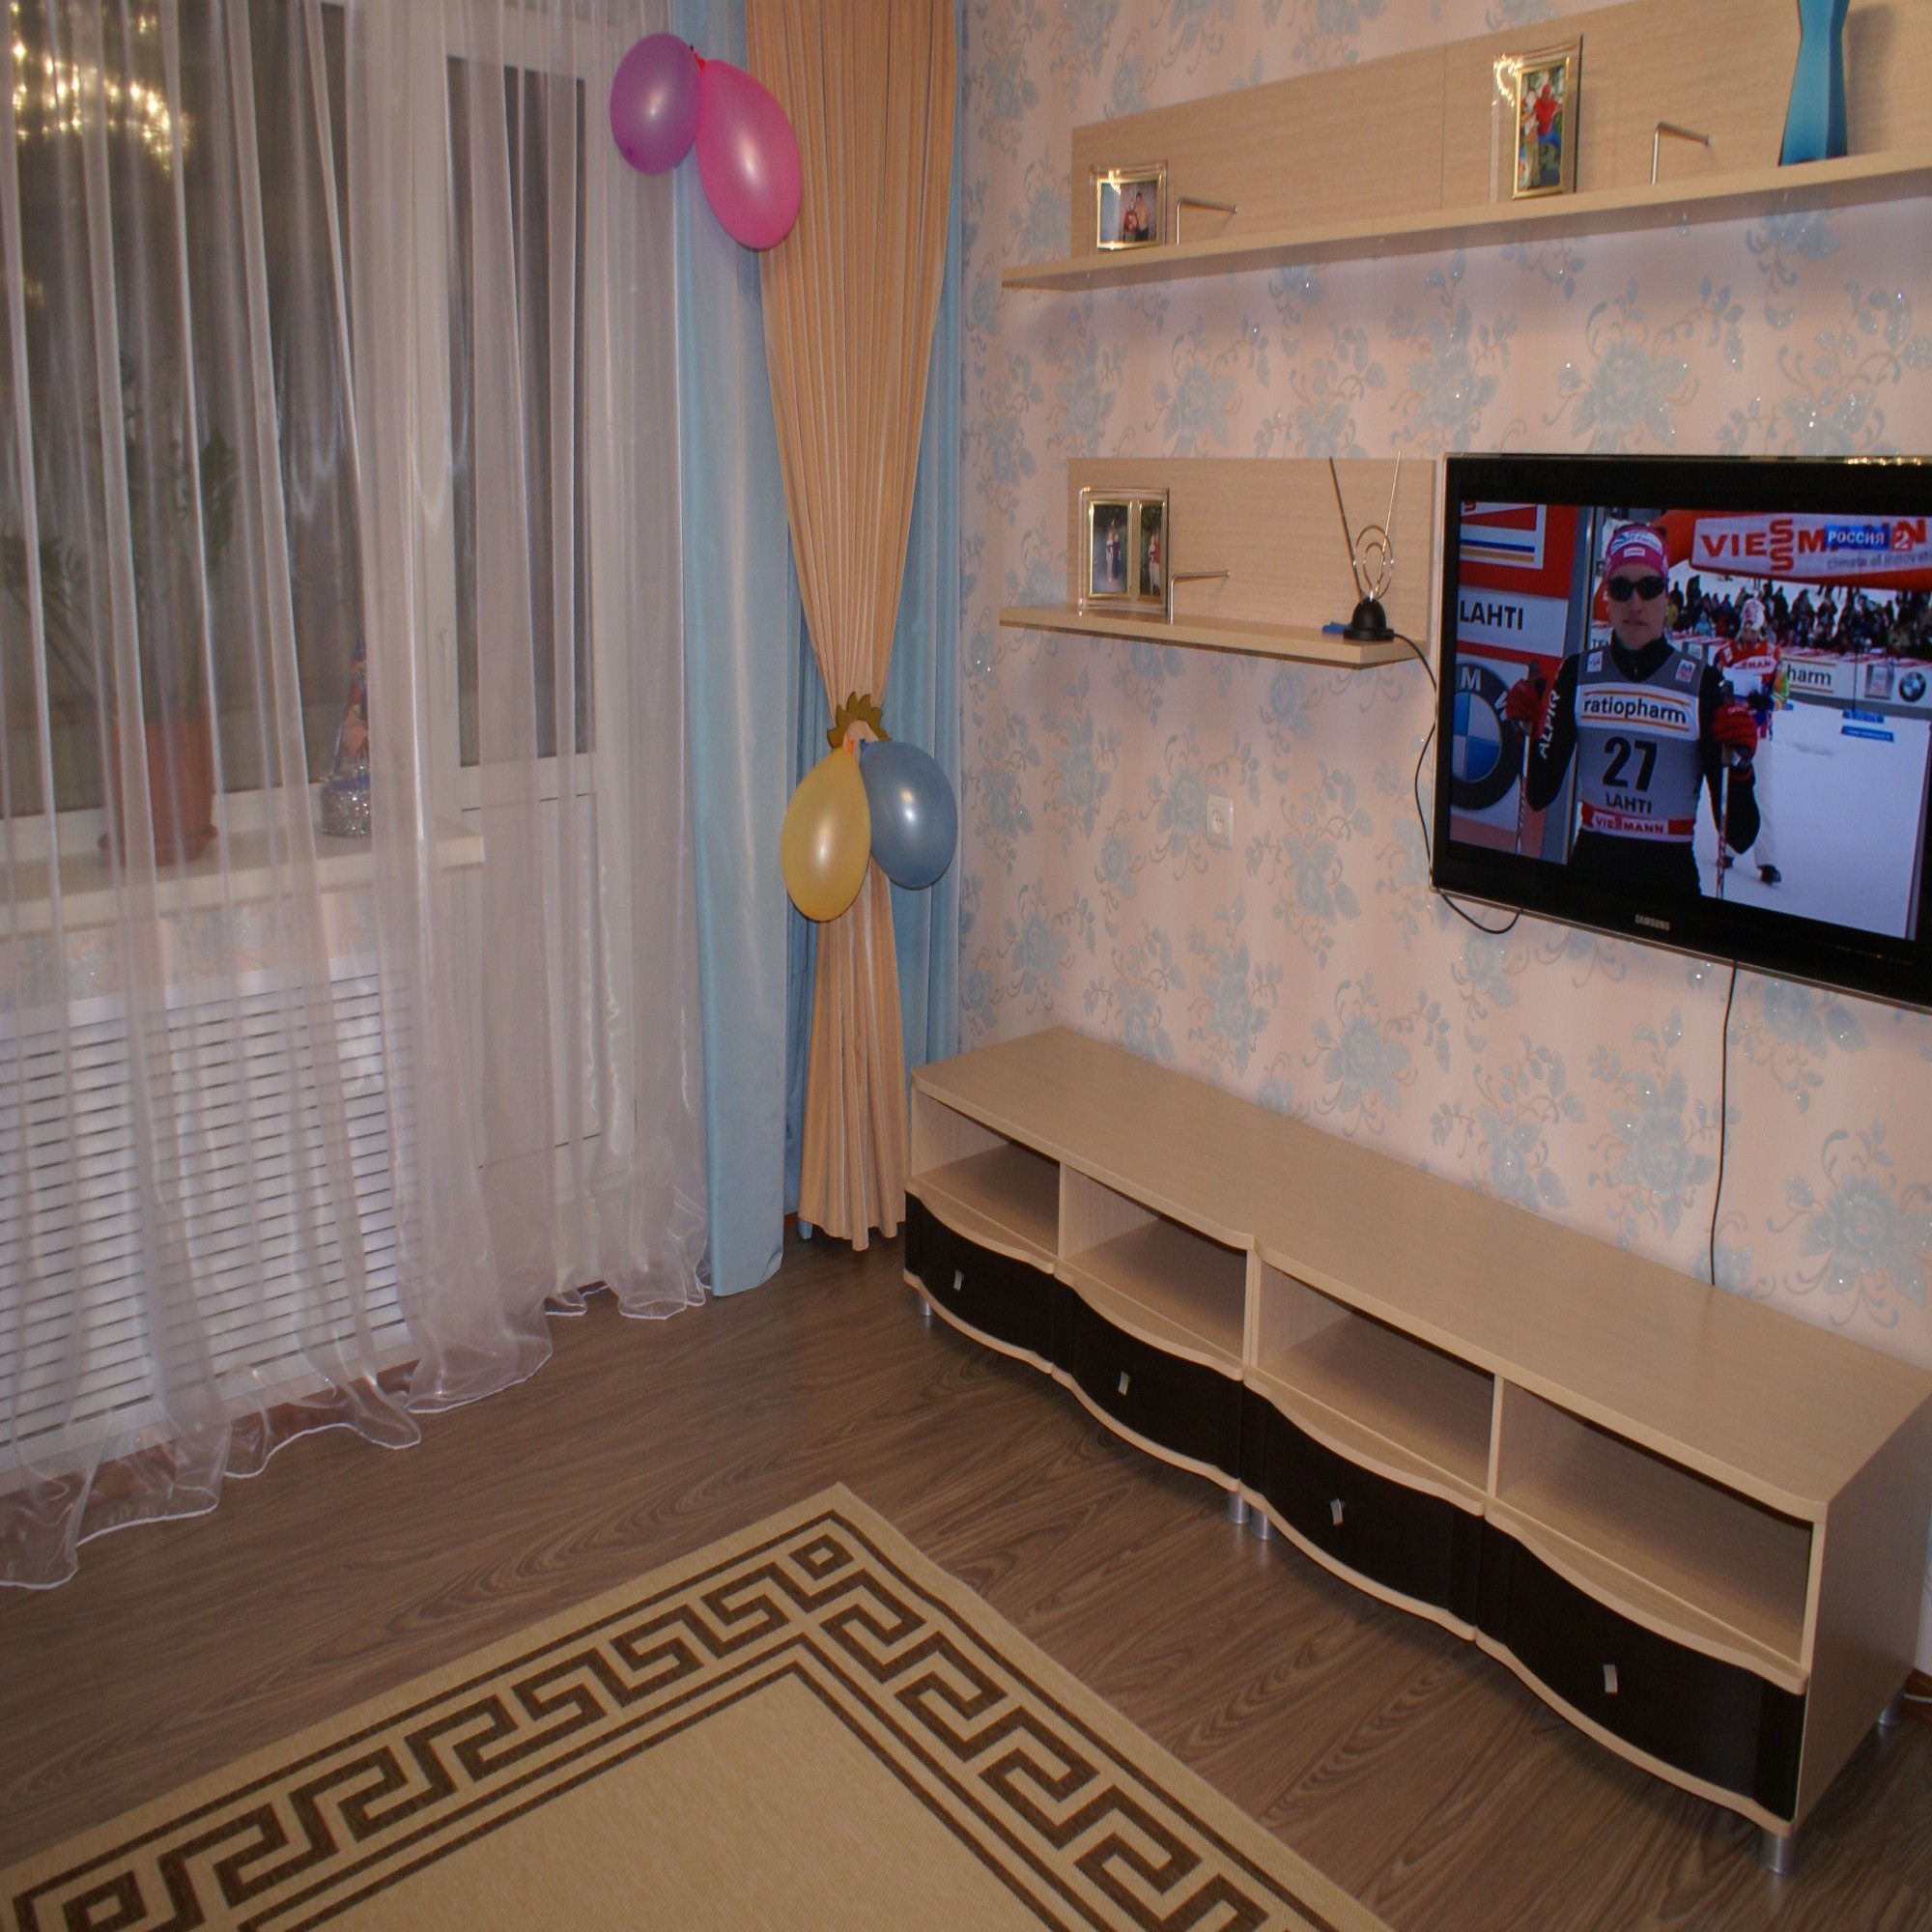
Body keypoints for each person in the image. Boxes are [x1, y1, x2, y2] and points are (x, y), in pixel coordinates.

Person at [1503, 524, 1760, 896]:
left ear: (1666, 594)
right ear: (1607, 596)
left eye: (1649, 587)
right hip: (1590, 886)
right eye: (1621, 588)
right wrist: (1521, 731)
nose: (1635, 604)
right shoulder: (1577, 674)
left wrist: (1742, 769)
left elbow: (1739, 836)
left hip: (1669, 894)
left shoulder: (1703, 685)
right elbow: (1539, 794)